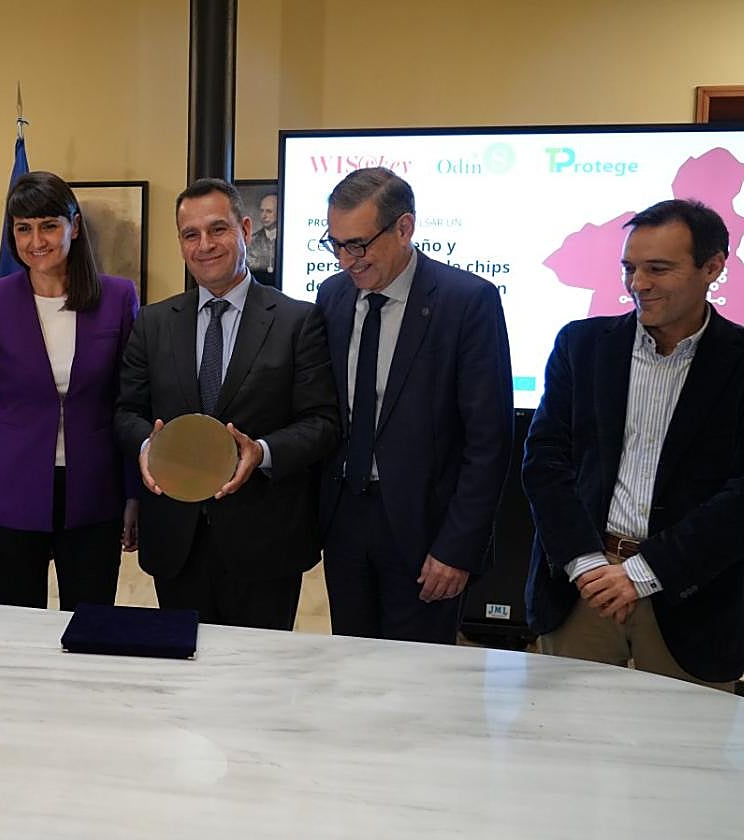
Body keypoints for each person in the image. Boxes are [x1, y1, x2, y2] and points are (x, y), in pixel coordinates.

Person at [523, 199, 744, 691]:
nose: (637, 284)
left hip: (692, 601)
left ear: (712, 268)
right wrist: (587, 566)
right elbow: (544, 462)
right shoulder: (581, 346)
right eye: (630, 268)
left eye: (658, 269)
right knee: (564, 748)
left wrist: (642, 572)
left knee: (684, 760)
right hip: (582, 591)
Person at [115, 177, 338, 630]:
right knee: (183, 674)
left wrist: (262, 452)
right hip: (178, 540)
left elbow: (322, 421)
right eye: (190, 234)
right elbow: (125, 413)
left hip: (266, 540)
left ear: (246, 228)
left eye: (217, 229)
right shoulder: (154, 323)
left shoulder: (298, 320)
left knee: (257, 684)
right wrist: (147, 448)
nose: (204, 245)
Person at [315, 167, 513, 644]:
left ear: (404, 228)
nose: (347, 260)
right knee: (352, 667)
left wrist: (457, 549)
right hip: (345, 519)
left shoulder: (467, 302)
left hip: (426, 531)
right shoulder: (333, 296)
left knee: (418, 684)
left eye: (358, 244)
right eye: (336, 244)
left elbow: (489, 440)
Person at [0, 171, 139, 610]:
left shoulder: (118, 298)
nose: (35, 240)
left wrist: (134, 493)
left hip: (95, 492)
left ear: (74, 226)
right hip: (9, 491)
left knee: (92, 623)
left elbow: (130, 402)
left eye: (48, 225)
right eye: (23, 228)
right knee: (18, 629)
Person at [246, 191, 279, 286]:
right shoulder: (251, 241)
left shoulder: (289, 240)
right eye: (262, 211)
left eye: (269, 211)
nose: (264, 216)